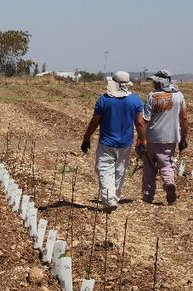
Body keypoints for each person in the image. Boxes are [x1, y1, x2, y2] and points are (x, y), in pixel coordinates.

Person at [80, 71, 146, 211]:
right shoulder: (135, 100)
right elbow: (140, 123)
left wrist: (87, 137)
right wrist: (142, 140)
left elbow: (95, 121)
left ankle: (110, 200)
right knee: (120, 171)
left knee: (104, 170)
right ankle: (114, 198)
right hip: (125, 143)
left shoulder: (104, 99)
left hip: (106, 143)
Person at [142, 70, 188, 204]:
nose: (153, 83)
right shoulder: (179, 96)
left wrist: (141, 138)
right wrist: (184, 137)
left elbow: (145, 119)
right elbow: (184, 117)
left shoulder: (152, 96)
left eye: (155, 81)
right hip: (170, 137)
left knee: (149, 166)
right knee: (167, 163)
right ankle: (168, 182)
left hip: (152, 136)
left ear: (160, 82)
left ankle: (147, 196)